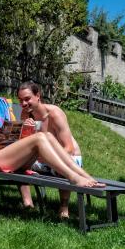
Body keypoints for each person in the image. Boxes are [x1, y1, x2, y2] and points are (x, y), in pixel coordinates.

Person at [0, 87, 104, 213]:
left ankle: (83, 175)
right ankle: (73, 178)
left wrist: (10, 131)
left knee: (46, 136)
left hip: (0, 155)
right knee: (39, 137)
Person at [17, 81, 92, 218]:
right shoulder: (25, 115)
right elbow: (23, 145)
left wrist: (48, 157)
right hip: (43, 159)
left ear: (37, 95)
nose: (23, 104)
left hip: (69, 158)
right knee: (18, 163)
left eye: (27, 99)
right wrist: (26, 129)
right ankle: (28, 203)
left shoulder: (54, 114)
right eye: (21, 100)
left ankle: (64, 207)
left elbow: (68, 147)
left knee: (62, 168)